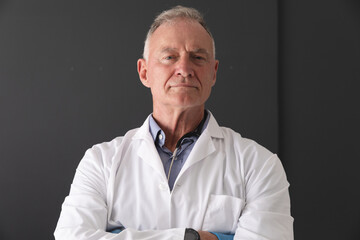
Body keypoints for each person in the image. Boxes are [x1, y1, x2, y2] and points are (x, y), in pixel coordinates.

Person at [54, 5, 293, 240]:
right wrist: (196, 237)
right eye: (170, 57)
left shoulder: (259, 166)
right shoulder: (101, 162)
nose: (185, 69)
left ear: (214, 73)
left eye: (198, 57)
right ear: (144, 72)